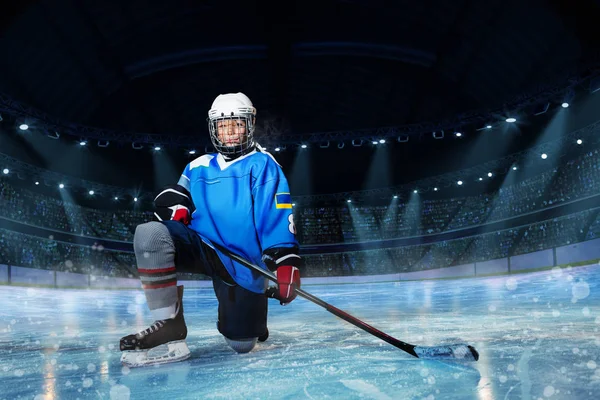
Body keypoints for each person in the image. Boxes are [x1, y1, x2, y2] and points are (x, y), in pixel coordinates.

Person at [119, 92, 302, 367]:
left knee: (241, 344)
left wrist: (284, 262)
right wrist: (176, 206)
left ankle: (253, 313)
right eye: (222, 125)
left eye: (236, 124)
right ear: (213, 128)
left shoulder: (264, 165)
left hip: (241, 262)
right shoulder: (197, 166)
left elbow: (275, 214)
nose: (229, 132)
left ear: (249, 125)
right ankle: (170, 324)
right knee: (150, 234)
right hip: (202, 246)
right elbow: (176, 196)